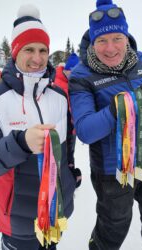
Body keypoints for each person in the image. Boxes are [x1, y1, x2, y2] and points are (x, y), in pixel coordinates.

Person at [0, 4, 76, 250]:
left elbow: (68, 144)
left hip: (56, 212)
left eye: (43, 50)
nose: (37, 59)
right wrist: (20, 143)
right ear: (15, 51)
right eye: (29, 49)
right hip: (16, 220)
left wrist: (70, 172)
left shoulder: (59, 96)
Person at [69, 0, 142, 249]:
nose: (110, 48)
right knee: (112, 233)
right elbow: (86, 130)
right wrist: (134, 100)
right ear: (92, 42)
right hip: (112, 173)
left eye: (117, 38)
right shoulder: (82, 76)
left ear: (126, 37)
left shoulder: (141, 61)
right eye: (101, 41)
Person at [54, 53, 82, 188]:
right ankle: (63, 178)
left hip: (72, 126)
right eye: (72, 71)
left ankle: (69, 176)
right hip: (62, 126)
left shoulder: (73, 82)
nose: (74, 74)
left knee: (70, 152)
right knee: (63, 153)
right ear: (66, 70)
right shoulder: (58, 83)